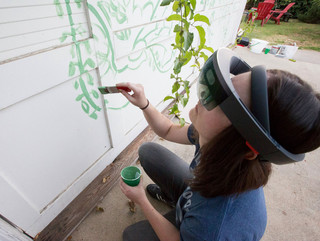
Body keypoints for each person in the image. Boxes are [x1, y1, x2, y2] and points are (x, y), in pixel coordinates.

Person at [117, 49, 320, 241]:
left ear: (247, 148)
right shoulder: (217, 140)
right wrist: (144, 103)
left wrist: (141, 199)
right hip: (200, 194)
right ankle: (181, 207)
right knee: (149, 152)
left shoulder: (217, 225)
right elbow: (168, 130)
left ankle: (186, 219)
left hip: (201, 223)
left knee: (132, 235)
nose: (204, 98)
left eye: (223, 102)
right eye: (224, 86)